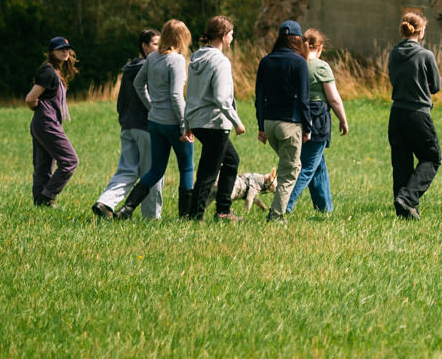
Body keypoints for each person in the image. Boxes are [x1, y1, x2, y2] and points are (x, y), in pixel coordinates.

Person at [117, 19, 192, 220]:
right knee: (186, 166)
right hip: (173, 123)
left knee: (156, 169)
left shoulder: (152, 59)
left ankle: (127, 208)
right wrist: (185, 125)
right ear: (181, 38)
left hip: (155, 122)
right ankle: (185, 216)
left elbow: (139, 84)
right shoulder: (175, 60)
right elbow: (177, 96)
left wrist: (152, 107)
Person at [93, 29, 163, 221]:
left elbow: (121, 101)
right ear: (144, 45)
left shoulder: (128, 69)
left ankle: (105, 202)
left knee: (127, 169)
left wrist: (124, 120)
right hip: (147, 127)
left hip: (128, 126)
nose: (161, 48)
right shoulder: (149, 67)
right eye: (156, 44)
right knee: (154, 171)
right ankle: (151, 217)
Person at [186, 16, 248, 222]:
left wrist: (188, 124)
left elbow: (191, 94)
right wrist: (237, 121)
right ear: (222, 35)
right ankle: (196, 216)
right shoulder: (220, 61)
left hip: (198, 121)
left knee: (231, 161)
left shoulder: (196, 58)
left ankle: (223, 210)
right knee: (208, 172)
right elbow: (222, 98)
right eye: (231, 34)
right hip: (215, 122)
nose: (232, 38)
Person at [286, 27, 348, 216]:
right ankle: (284, 206)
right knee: (307, 168)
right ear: (319, 47)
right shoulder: (321, 67)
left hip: (298, 117)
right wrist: (343, 119)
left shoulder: (296, 64)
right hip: (318, 118)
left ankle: (325, 209)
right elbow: (334, 98)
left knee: (317, 164)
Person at [254, 20, 311, 221]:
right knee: (290, 171)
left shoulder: (266, 61)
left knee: (288, 165)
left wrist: (261, 125)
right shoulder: (299, 62)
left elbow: (259, 96)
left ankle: (276, 209)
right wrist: (308, 126)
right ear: (297, 40)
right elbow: (304, 99)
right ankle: (276, 216)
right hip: (290, 124)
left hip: (269, 124)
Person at [387, 10, 442, 219]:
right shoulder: (425, 55)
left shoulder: (393, 52)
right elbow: (436, 86)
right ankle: (409, 198)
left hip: (397, 112)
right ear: (420, 31)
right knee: (432, 157)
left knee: (401, 162)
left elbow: (394, 79)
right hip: (418, 112)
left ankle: (403, 209)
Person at [25, 36, 78, 207]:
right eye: (60, 49)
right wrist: (40, 112)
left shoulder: (56, 73)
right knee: (70, 161)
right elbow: (30, 98)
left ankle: (40, 203)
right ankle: (48, 196)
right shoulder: (48, 72)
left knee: (44, 166)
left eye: (67, 49)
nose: (65, 51)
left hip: (45, 123)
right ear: (51, 52)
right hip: (46, 123)